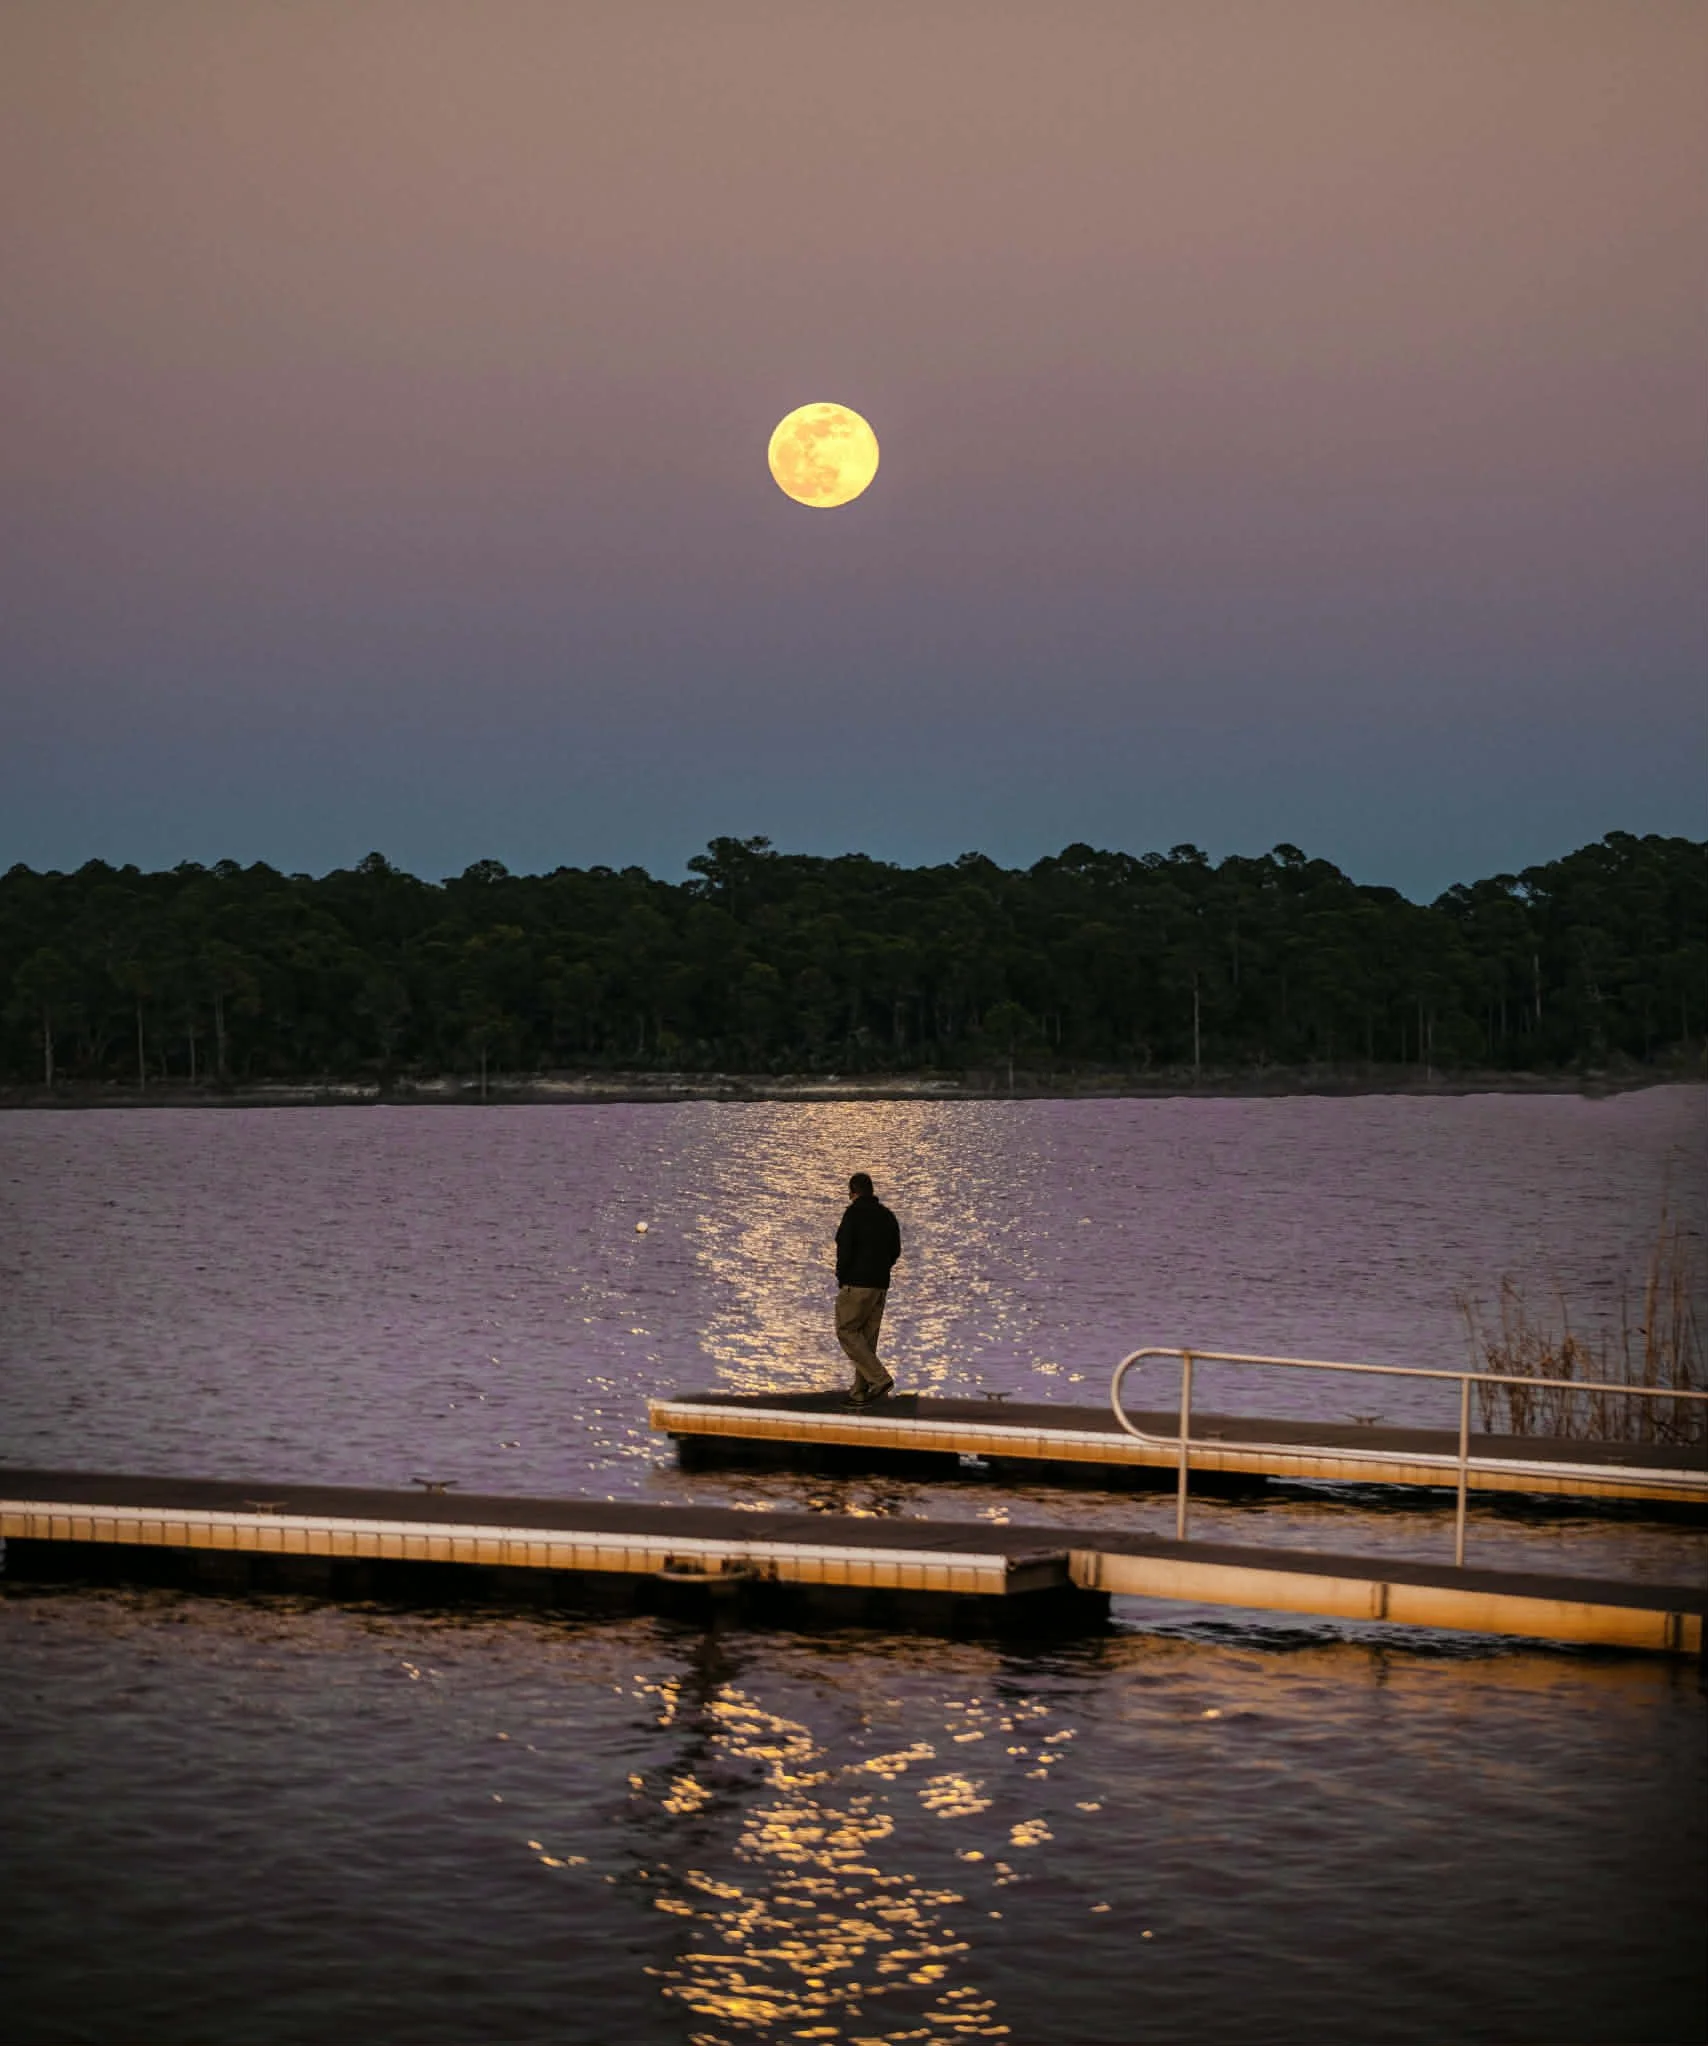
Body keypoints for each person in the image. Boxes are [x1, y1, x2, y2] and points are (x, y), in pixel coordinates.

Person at [834, 1171, 902, 1405]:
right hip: (880, 1285)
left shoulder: (852, 1215)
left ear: (853, 1191)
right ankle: (859, 1393)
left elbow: (844, 1248)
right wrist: (882, 1269)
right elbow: (895, 1250)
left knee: (846, 1330)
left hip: (857, 1284)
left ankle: (879, 1378)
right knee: (866, 1339)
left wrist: (842, 1277)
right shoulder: (887, 1216)